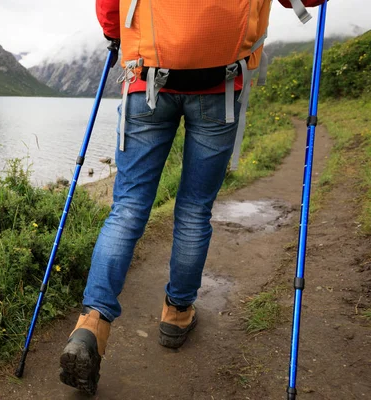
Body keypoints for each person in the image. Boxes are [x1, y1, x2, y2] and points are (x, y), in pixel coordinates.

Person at [58, 0, 319, 395]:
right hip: (219, 87)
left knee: (127, 209)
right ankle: (177, 313)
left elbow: (110, 7)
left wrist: (113, 32)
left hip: (146, 81)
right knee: (194, 211)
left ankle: (92, 323)